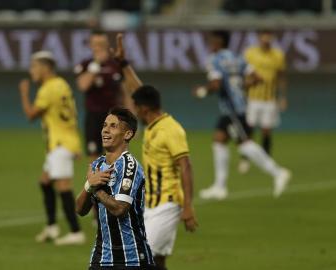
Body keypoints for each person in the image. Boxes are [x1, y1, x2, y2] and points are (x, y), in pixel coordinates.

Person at [110, 33, 198, 270]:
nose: (133, 109)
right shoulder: (154, 123)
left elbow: (186, 166)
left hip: (167, 204)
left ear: (144, 108)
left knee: (139, 259)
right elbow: (138, 89)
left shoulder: (171, 130)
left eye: (136, 106)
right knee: (156, 261)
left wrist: (188, 205)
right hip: (150, 203)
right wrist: (124, 64)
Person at [193, 31, 291, 200]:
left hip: (232, 109)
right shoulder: (237, 58)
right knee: (219, 139)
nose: (210, 45)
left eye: (212, 41)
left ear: (218, 42)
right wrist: (241, 86)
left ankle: (278, 172)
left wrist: (202, 91)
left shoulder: (215, 59)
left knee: (244, 145)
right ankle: (219, 186)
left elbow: (215, 84)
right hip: (240, 106)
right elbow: (258, 78)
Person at [18, 50, 85, 245]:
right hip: (67, 139)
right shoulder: (62, 84)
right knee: (45, 182)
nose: (32, 71)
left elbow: (31, 115)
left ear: (45, 68)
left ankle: (75, 231)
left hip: (60, 144)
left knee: (63, 187)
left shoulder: (47, 88)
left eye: (34, 67)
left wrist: (23, 93)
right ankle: (52, 227)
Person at [76, 107, 155, 269]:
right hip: (102, 256)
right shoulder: (98, 165)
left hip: (131, 257)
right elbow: (80, 209)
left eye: (113, 126)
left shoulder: (130, 167)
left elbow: (120, 209)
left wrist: (96, 189)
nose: (105, 130)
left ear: (128, 134)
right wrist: (88, 185)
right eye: (105, 125)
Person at [74, 29, 130, 162]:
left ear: (107, 45)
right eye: (96, 44)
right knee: (94, 159)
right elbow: (83, 85)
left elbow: (125, 93)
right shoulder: (86, 65)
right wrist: (96, 65)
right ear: (90, 45)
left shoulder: (116, 65)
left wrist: (130, 118)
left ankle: (116, 182)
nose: (98, 47)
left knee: (116, 155)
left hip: (114, 117)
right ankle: (98, 183)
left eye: (101, 44)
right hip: (93, 117)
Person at [239, 30, 288, 173]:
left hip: (270, 99)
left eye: (269, 38)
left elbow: (281, 77)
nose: (266, 40)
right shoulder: (250, 53)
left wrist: (282, 97)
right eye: (263, 38)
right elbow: (243, 73)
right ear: (259, 38)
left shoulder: (278, 55)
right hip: (252, 98)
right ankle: (245, 159)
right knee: (249, 129)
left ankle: (266, 160)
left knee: (266, 130)